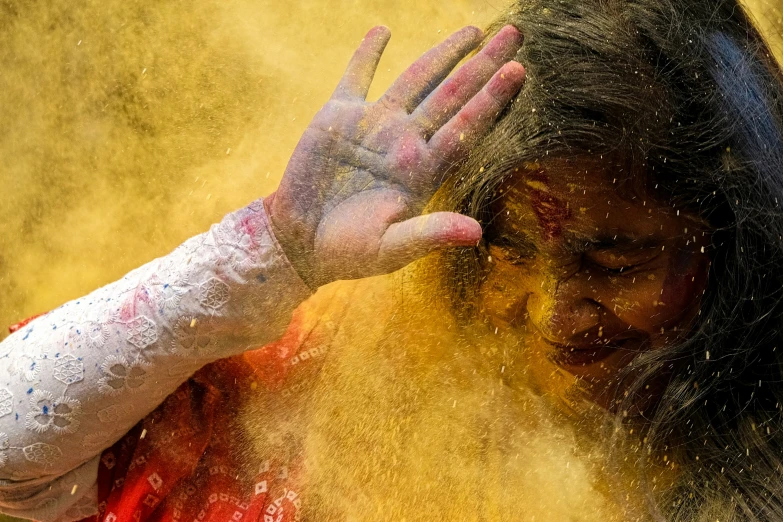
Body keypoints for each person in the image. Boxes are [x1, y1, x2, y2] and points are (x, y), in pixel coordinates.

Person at [1, 0, 782, 521]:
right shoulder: (323, 395)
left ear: (740, 242)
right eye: (506, 252)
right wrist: (264, 257)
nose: (551, 313)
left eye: (614, 264)